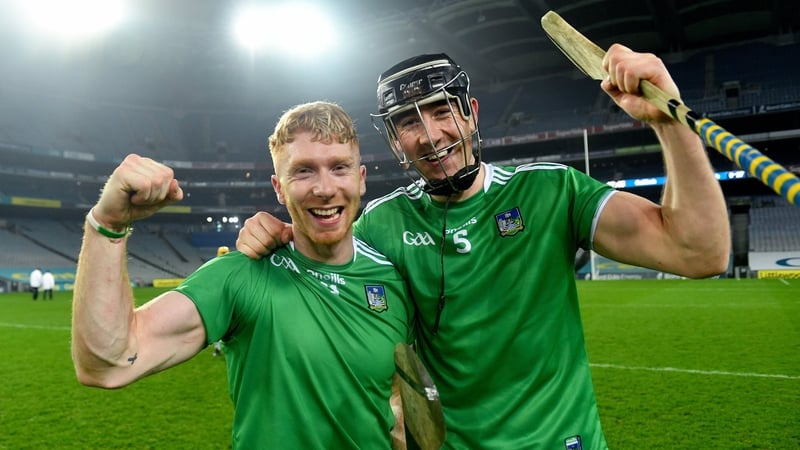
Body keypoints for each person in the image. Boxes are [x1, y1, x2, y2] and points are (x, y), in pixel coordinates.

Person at [235, 47, 731, 449]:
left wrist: (669, 121)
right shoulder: (379, 225)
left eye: (440, 109)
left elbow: (699, 253)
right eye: (408, 122)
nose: (430, 135)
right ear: (393, 142)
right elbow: (322, 298)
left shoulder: (551, 192)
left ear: (470, 114)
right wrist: (274, 237)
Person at [71, 101, 413, 449]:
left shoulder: (394, 281)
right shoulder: (240, 275)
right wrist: (108, 226)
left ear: (361, 179)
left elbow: (395, 399)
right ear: (278, 187)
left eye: (339, 168)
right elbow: (107, 364)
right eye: (303, 171)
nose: (324, 188)